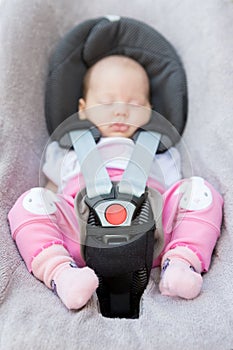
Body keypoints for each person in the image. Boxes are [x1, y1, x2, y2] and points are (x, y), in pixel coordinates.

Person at [8, 55, 223, 310]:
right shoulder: (66, 150)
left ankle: (179, 263)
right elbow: (52, 190)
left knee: (200, 193)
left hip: (152, 232)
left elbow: (176, 200)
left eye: (133, 103)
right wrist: (47, 212)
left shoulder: (163, 153)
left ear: (149, 110)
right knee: (31, 202)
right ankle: (62, 274)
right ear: (83, 108)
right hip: (81, 230)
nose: (120, 110)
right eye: (107, 102)